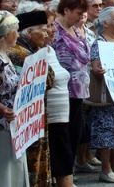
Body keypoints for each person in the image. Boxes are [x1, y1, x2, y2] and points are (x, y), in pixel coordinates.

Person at [9, 8, 52, 187]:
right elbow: (49, 81)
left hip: (34, 116)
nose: (46, 32)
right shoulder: (21, 53)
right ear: (28, 32)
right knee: (32, 161)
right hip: (25, 119)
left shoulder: (32, 50)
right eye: (42, 29)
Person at [52, 0, 90, 169]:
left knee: (75, 131)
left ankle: (70, 170)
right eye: (77, 12)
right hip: (61, 90)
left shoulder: (76, 29)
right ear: (66, 10)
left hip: (78, 89)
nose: (80, 16)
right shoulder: (54, 30)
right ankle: (63, 172)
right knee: (63, 134)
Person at [88, 7, 114, 183]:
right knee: (106, 132)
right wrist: (98, 69)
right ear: (106, 22)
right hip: (106, 96)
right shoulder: (99, 42)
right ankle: (106, 168)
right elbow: (95, 66)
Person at [0, 11, 29, 187]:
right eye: (15, 30)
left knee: (13, 168)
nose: (18, 34)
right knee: (4, 170)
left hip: (13, 125)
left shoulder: (5, 55)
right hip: (3, 124)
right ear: (6, 33)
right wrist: (2, 109)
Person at [45, 10, 74, 187]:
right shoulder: (32, 52)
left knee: (63, 155)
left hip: (61, 115)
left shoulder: (49, 49)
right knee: (58, 157)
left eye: (52, 25)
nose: (52, 30)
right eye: (47, 26)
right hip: (48, 116)